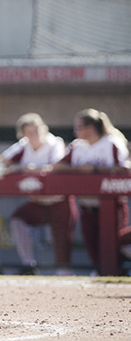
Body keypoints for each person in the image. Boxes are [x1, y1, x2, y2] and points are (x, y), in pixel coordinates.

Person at [0, 113, 78, 276]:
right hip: (38, 202)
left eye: (36, 130)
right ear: (23, 134)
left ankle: (66, 280)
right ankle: (28, 265)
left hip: (59, 201)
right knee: (17, 219)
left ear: (44, 129)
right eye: (29, 132)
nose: (34, 135)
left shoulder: (55, 142)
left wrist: (28, 169)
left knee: (62, 247)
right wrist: (5, 169)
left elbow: (56, 167)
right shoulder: (23, 145)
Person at [51, 108, 131, 275]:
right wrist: (81, 170)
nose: (76, 131)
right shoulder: (77, 145)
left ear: (91, 128)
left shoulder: (111, 142)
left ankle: (120, 270)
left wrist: (95, 168)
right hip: (88, 206)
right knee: (95, 253)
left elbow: (125, 167)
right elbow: (57, 166)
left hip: (111, 205)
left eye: (79, 127)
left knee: (112, 245)